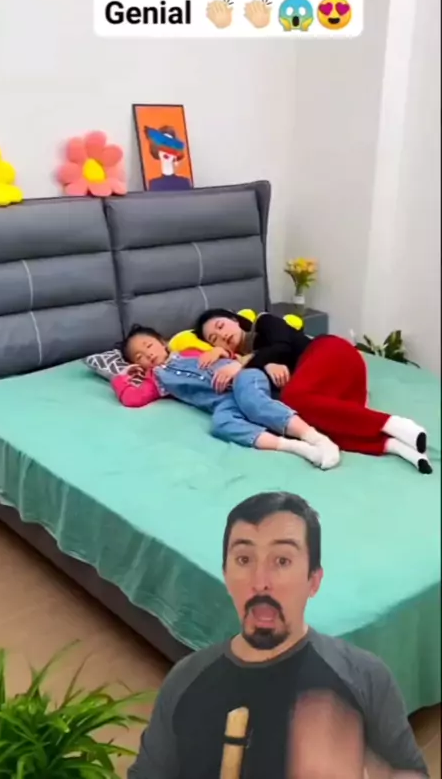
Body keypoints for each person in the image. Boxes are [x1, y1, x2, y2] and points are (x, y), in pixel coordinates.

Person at [128, 492, 428, 779]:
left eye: (282, 561)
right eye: (244, 559)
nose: (260, 582)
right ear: (226, 574)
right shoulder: (184, 681)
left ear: (314, 580)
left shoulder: (366, 677)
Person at [193, 308, 432, 474]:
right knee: (319, 426)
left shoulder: (263, 322)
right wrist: (231, 358)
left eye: (221, 326)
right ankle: (396, 446)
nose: (223, 336)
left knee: (293, 399)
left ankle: (394, 423)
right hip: (325, 385)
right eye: (215, 339)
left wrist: (244, 362)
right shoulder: (242, 369)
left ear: (234, 319)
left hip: (330, 352)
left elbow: (283, 345)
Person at [111, 325, 340, 469]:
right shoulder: (156, 380)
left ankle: (316, 438)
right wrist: (122, 376)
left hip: (242, 378)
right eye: (139, 356)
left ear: (162, 342)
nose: (148, 354)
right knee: (221, 424)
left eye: (149, 345)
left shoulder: (189, 350)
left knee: (253, 403)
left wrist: (218, 351)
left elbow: (231, 356)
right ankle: (295, 447)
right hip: (222, 401)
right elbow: (133, 399)